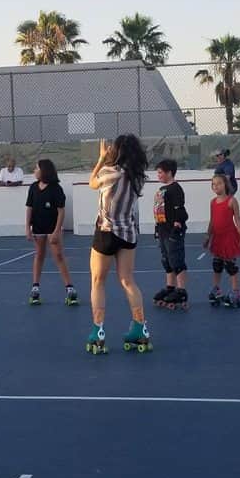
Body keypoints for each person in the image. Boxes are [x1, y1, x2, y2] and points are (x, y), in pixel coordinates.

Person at [86, 134, 150, 354]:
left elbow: (92, 183)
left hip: (106, 232)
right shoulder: (138, 177)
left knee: (98, 280)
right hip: (128, 233)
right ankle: (140, 327)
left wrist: (101, 159)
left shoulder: (109, 173)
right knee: (127, 280)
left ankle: (98, 330)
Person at [25, 159, 77, 305]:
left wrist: (56, 231)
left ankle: (70, 289)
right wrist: (27, 228)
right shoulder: (33, 188)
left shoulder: (56, 189)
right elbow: (29, 208)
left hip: (52, 228)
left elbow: (61, 212)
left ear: (44, 171)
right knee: (39, 255)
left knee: (58, 256)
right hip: (38, 228)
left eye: (36, 168)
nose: (34, 171)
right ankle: (35, 289)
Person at [152, 158, 189, 310]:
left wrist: (177, 228)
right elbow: (159, 210)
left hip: (173, 231)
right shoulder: (161, 190)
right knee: (166, 261)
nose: (158, 175)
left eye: (160, 172)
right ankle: (170, 287)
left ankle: (181, 290)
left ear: (169, 172)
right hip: (162, 230)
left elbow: (179, 211)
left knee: (176, 260)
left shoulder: (176, 189)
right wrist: (157, 228)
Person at [205, 172, 240, 308]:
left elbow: (237, 219)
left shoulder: (231, 201)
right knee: (217, 265)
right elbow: (212, 221)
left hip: (229, 237)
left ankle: (236, 292)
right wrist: (208, 236)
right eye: (213, 184)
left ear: (225, 185)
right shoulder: (212, 202)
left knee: (230, 266)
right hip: (217, 237)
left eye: (219, 183)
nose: (216, 186)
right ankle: (216, 289)